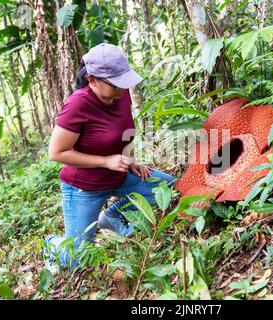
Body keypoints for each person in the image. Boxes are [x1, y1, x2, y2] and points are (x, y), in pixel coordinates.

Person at [44, 43, 175, 272]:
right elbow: (56, 153)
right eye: (115, 83)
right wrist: (106, 161)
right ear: (93, 79)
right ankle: (52, 246)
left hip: (118, 175)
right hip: (84, 187)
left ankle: (113, 216)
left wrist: (130, 159)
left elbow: (123, 133)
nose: (122, 89)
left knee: (168, 187)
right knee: (78, 260)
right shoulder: (78, 104)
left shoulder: (121, 96)